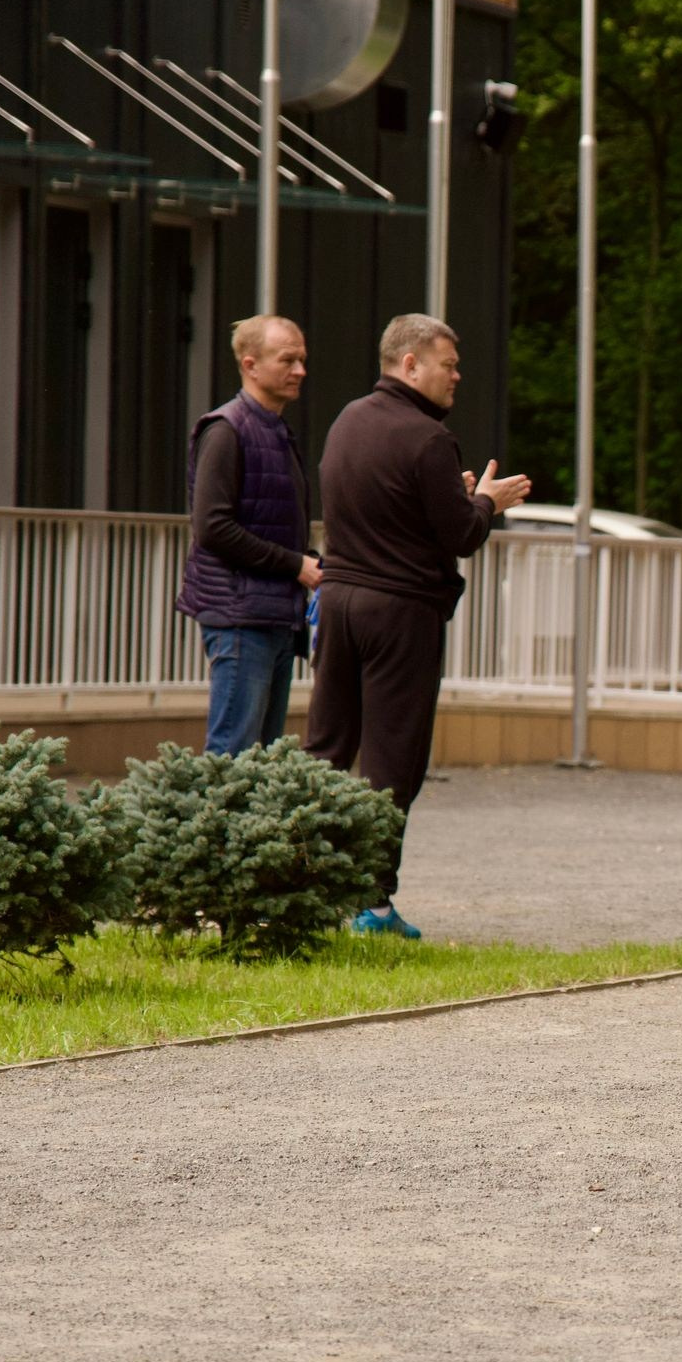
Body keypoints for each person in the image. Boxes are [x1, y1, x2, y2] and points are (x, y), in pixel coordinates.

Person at [305, 314, 531, 939]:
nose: (457, 375)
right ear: (410, 365)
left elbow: (385, 509)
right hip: (399, 613)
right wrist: (487, 501)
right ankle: (372, 904)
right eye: (448, 364)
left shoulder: (348, 420)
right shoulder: (429, 438)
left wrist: (455, 497)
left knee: (326, 747)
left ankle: (305, 885)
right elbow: (460, 535)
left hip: (340, 599)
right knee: (391, 759)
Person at [178, 315, 318, 755]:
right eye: (288, 359)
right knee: (233, 756)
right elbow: (213, 528)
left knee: (261, 759)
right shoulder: (226, 430)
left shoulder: (274, 431)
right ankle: (216, 826)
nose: (300, 370)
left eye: (302, 359)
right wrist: (296, 564)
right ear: (250, 364)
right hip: (241, 617)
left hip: (271, 615)